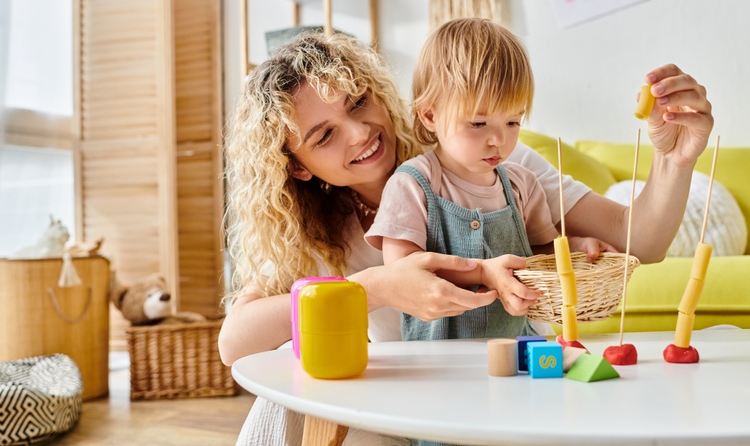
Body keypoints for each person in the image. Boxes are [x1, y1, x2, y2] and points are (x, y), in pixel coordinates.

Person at [219, 31, 713, 446]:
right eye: (324, 136)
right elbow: (235, 342)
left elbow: (641, 241)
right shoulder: (310, 231)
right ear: (296, 168)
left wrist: (675, 158)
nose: (359, 132)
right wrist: (377, 288)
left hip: (511, 385)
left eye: (359, 102)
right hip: (414, 406)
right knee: (287, 404)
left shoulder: (495, 164)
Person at [364, 18, 614, 343]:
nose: (499, 139)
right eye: (479, 123)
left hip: (517, 346)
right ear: (430, 116)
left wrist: (576, 248)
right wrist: (483, 272)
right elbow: (403, 273)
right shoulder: (412, 184)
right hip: (439, 358)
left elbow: (540, 251)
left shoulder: (522, 184)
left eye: (513, 121)